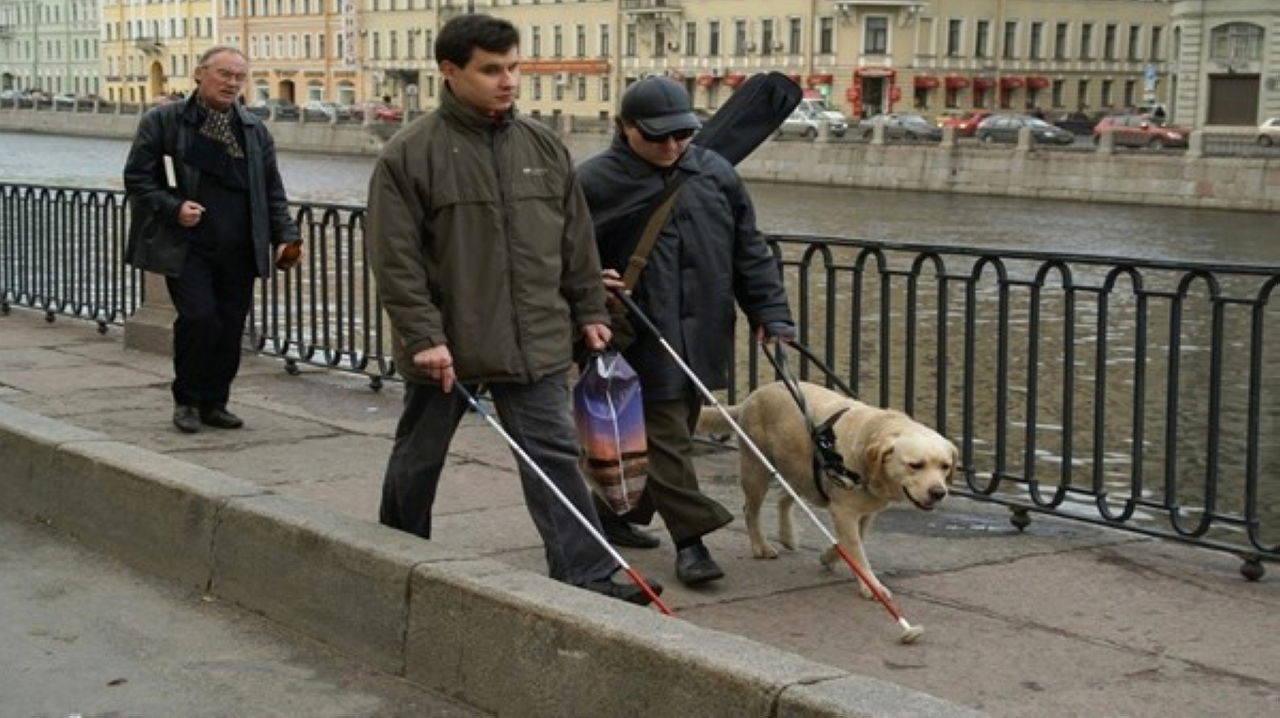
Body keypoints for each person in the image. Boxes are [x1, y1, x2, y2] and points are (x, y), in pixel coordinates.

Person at [365, 14, 660, 605]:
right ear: (450, 72)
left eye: (514, 67)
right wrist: (424, 335)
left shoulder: (542, 145)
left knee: (552, 454)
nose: (508, 81)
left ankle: (585, 572)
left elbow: (575, 243)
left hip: (536, 339)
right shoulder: (409, 154)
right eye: (492, 69)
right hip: (448, 343)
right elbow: (395, 259)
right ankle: (393, 551)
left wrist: (589, 311)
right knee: (419, 455)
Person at [578, 76, 795, 586]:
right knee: (667, 440)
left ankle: (612, 515)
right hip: (633, 331)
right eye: (657, 137)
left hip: (702, 329)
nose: (672, 147)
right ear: (624, 128)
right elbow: (553, 256)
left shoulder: (714, 172)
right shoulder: (593, 182)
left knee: (666, 433)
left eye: (682, 135)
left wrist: (771, 312)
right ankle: (692, 541)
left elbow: (749, 249)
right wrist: (588, 282)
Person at [124, 46, 299, 434]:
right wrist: (173, 208)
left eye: (239, 76)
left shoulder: (253, 130)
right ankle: (187, 400)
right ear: (200, 74)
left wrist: (287, 235)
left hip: (238, 248)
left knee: (230, 326)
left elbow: (272, 190)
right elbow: (137, 179)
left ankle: (215, 402)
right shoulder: (164, 121)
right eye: (225, 74)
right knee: (199, 319)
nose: (232, 83)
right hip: (187, 246)